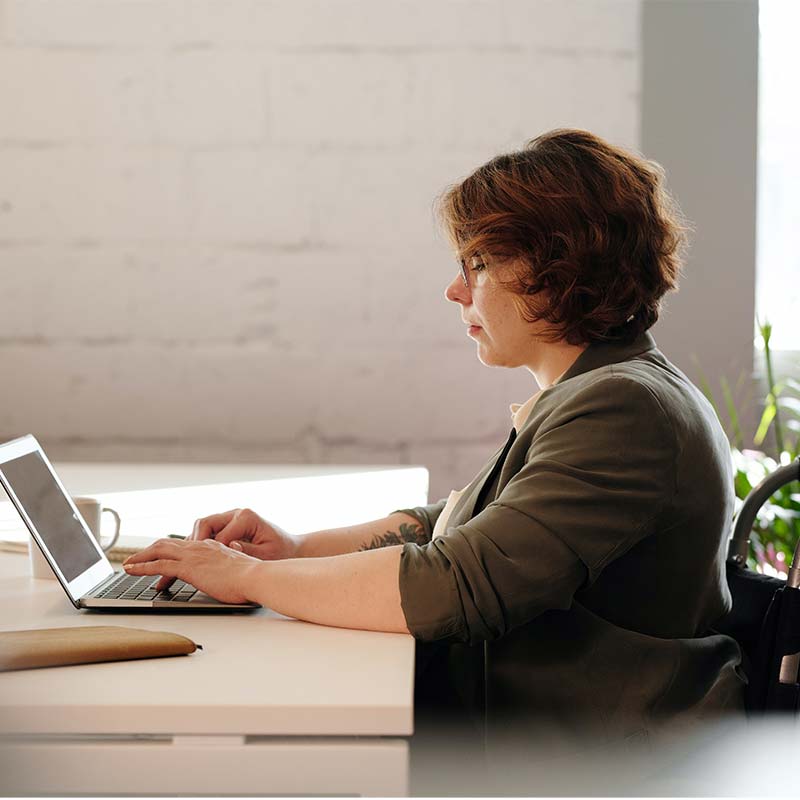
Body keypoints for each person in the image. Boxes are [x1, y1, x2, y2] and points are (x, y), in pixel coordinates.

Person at [123, 129, 745, 755]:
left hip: (602, 767)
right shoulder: (604, 389)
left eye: (478, 265)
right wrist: (291, 551)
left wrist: (247, 579)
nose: (455, 290)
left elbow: (459, 583)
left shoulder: (625, 408)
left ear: (558, 269)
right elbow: (457, 525)